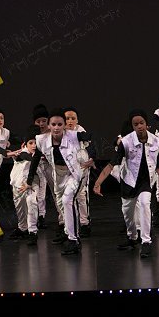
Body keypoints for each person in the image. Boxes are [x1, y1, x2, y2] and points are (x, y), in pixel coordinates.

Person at [93, 109, 159, 258]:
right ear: (132, 126)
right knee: (128, 213)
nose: (139, 126)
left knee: (144, 204)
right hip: (129, 181)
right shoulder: (126, 142)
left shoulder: (156, 141)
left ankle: (146, 242)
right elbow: (111, 164)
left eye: (141, 123)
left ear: (146, 124)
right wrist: (98, 183)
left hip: (145, 181)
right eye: (135, 124)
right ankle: (132, 237)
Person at [26, 109, 95, 255]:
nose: (56, 127)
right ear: (49, 126)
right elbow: (36, 158)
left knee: (67, 200)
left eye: (59, 124)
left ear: (64, 125)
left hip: (75, 172)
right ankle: (69, 232)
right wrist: (29, 180)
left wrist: (92, 157)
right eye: (53, 124)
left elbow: (89, 139)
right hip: (58, 174)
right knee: (61, 204)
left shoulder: (74, 135)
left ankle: (74, 239)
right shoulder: (42, 140)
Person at [10, 126, 41, 245]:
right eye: (31, 143)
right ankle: (23, 228)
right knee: (20, 208)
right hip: (18, 185)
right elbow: (24, 156)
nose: (34, 145)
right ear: (25, 144)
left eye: (36, 143)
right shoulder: (22, 153)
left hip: (32, 184)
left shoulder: (40, 154)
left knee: (31, 203)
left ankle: (33, 232)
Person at [64, 107, 91, 238]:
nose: (70, 121)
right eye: (67, 118)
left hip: (80, 167)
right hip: (63, 168)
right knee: (63, 197)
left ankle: (84, 223)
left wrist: (90, 160)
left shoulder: (80, 131)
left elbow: (89, 146)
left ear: (77, 120)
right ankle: (65, 224)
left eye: (73, 118)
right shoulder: (59, 132)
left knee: (81, 194)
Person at [31, 103, 54, 230]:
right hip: (37, 166)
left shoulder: (53, 132)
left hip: (51, 166)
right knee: (39, 192)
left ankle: (63, 220)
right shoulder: (32, 134)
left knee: (55, 191)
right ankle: (40, 216)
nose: (41, 124)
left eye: (44, 121)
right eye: (38, 121)